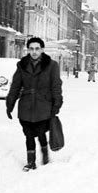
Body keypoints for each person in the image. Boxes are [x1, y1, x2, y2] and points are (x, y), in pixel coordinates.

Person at [6, 37, 63, 172]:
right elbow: (15, 86)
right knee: (28, 134)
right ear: (28, 50)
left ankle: (45, 154)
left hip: (44, 106)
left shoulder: (52, 65)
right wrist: (10, 104)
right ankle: (31, 162)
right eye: (31, 49)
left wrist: (57, 103)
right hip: (25, 106)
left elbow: (56, 86)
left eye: (37, 48)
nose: (34, 52)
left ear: (42, 49)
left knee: (41, 132)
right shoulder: (22, 65)